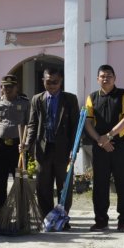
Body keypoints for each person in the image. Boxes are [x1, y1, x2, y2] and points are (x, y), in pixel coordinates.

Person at [24, 67, 81, 222]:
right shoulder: (37, 99)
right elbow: (32, 125)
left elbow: (76, 126)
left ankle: (62, 217)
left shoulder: (70, 99)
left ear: (60, 81)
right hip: (43, 150)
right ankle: (47, 218)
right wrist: (27, 144)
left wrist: (74, 149)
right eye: (48, 82)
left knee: (65, 186)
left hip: (63, 150)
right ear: (43, 81)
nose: (52, 85)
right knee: (43, 186)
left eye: (55, 82)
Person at [83, 65, 124, 232]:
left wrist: (109, 136)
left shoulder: (123, 95)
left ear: (115, 78)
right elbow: (88, 122)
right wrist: (100, 139)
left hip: (119, 144)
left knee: (123, 183)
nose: (106, 79)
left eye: (109, 76)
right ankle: (101, 220)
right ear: (98, 79)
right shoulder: (92, 97)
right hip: (99, 145)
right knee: (99, 184)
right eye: (102, 76)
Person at [0, 74, 29, 210]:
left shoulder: (24, 103)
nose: (8, 89)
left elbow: (31, 125)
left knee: (19, 180)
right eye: (5, 86)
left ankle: (21, 212)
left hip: (18, 147)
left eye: (11, 86)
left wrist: (27, 144)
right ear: (1, 88)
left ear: (16, 87)